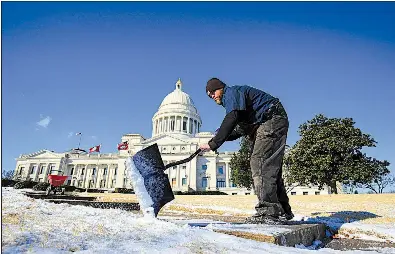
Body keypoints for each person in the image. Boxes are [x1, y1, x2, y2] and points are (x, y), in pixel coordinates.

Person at [199, 78, 294, 224]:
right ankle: (282, 211)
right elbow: (238, 129)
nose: (212, 96)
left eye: (213, 91)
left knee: (260, 163)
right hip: (272, 119)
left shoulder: (231, 93)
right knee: (271, 169)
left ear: (221, 88)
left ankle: (268, 213)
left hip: (271, 119)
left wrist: (213, 143)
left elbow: (232, 117)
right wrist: (218, 136)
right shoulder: (239, 104)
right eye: (208, 95)